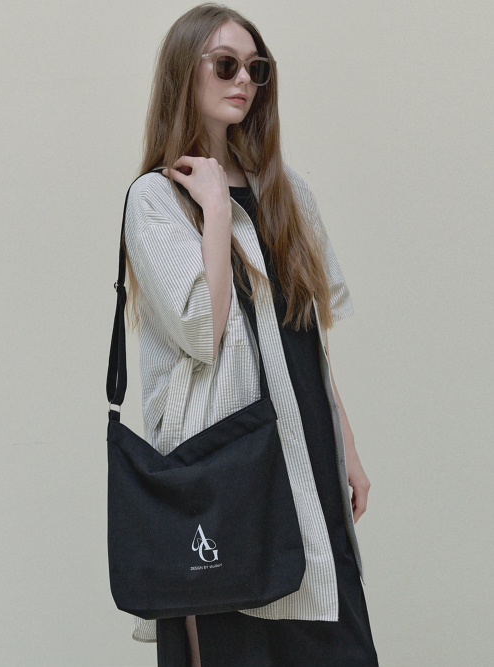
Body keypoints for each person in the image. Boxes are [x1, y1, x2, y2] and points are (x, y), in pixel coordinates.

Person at [122, 3, 379, 666]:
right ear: (185, 71)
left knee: (332, 625)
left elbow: (305, 335)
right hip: (226, 464)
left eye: (256, 68)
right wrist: (214, 206)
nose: (244, 80)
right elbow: (201, 330)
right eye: (227, 64)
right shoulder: (155, 199)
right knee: (236, 638)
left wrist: (345, 445)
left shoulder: (287, 191)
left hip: (305, 446)